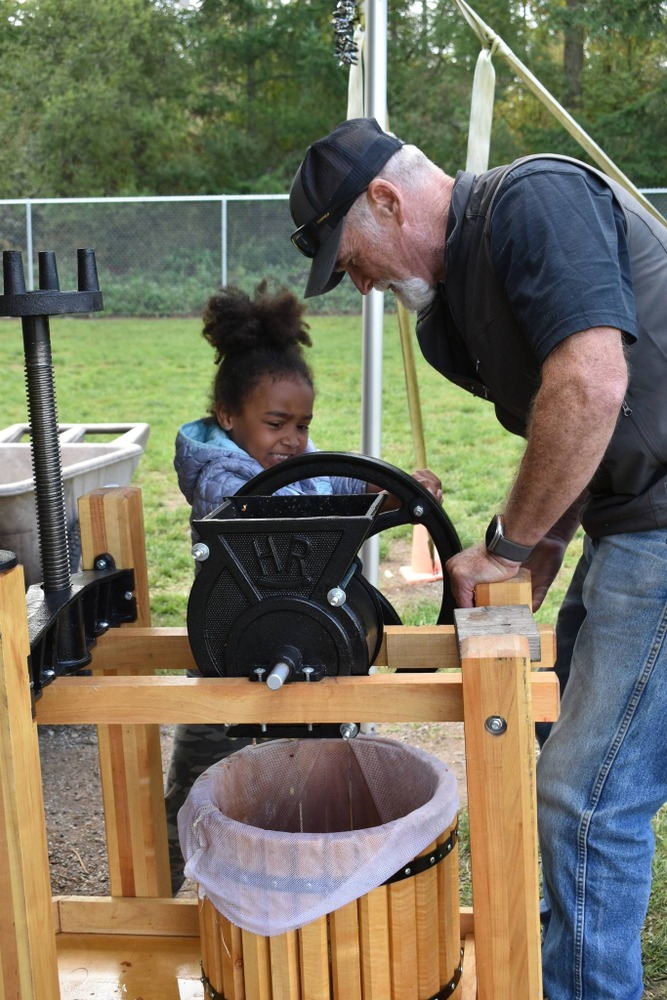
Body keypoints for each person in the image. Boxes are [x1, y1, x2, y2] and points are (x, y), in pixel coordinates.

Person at [288, 116, 667, 1000]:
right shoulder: (449, 325)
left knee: (587, 798)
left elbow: (590, 382)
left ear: (384, 200)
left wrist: (503, 547)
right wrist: (537, 552)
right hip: (629, 520)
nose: (360, 285)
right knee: (577, 755)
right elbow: (570, 426)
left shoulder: (534, 200)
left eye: (350, 261)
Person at [166, 279, 442, 893]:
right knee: (196, 788)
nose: (293, 439)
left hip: (308, 645)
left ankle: (318, 884)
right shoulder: (221, 480)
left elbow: (330, 489)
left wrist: (384, 494)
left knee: (321, 781)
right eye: (276, 424)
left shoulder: (287, 460)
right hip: (234, 654)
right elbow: (282, 523)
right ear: (229, 417)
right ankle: (170, 883)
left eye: (303, 424)